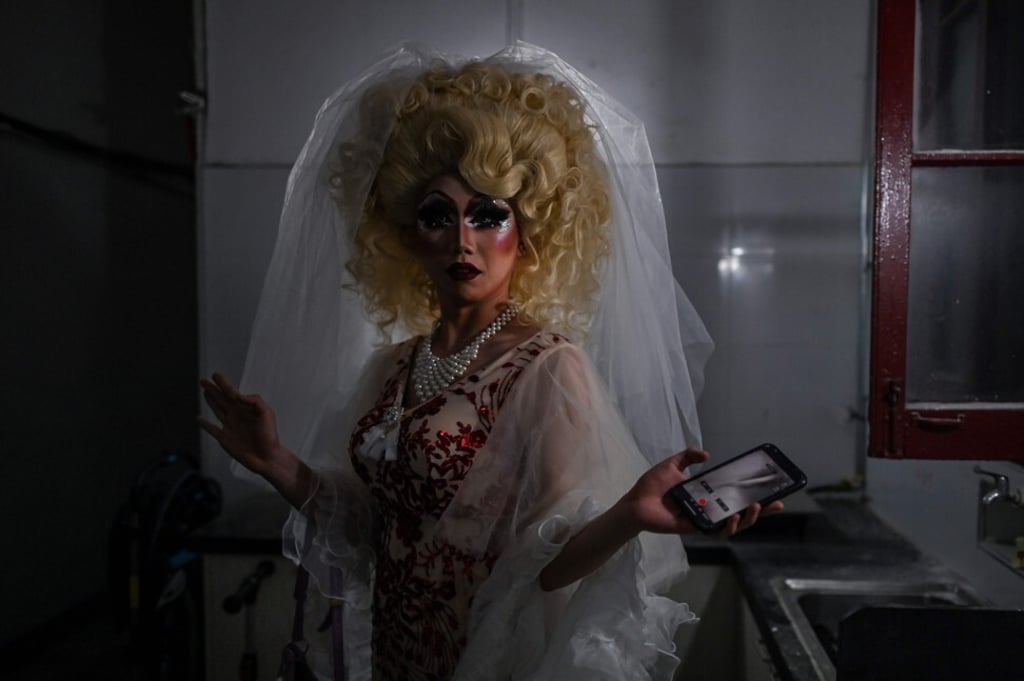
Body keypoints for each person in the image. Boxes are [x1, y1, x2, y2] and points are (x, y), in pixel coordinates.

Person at [199, 42, 781, 681]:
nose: (463, 240)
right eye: (437, 216)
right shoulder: (394, 365)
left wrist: (628, 516)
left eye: (487, 215)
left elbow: (549, 567)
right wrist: (278, 463)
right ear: (405, 233)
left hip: (484, 656)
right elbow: (371, 528)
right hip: (395, 656)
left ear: (526, 232)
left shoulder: (547, 368)